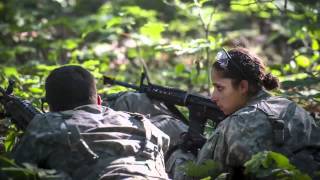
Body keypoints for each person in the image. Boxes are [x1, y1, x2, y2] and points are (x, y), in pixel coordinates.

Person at [169, 47, 320, 179]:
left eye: (219, 88)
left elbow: (194, 175)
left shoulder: (235, 124)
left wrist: (177, 153)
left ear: (243, 86)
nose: (213, 97)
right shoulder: (294, 110)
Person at [12, 65, 170, 180]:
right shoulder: (141, 123)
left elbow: (12, 170)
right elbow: (166, 144)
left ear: (50, 107)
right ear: (99, 101)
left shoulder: (46, 124)